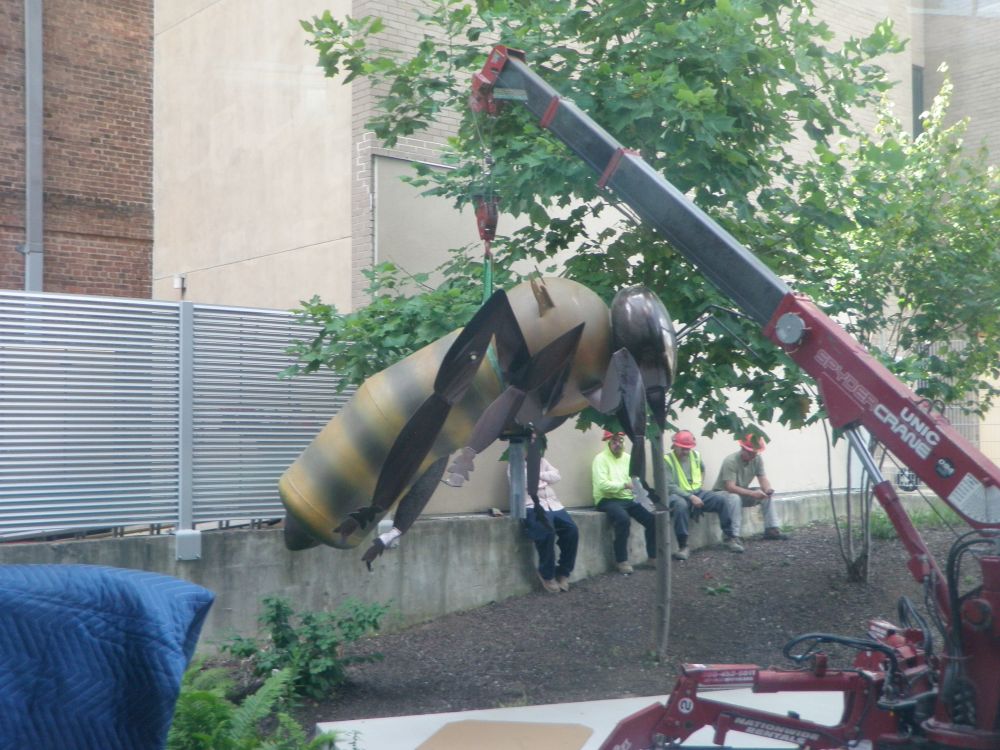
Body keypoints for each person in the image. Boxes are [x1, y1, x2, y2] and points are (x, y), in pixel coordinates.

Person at [664, 430, 743, 557]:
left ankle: (730, 537)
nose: (686, 451)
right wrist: (690, 497)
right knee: (680, 506)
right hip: (679, 495)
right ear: (675, 446)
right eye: (683, 448)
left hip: (697, 492)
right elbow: (669, 486)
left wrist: (699, 486)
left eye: (688, 448)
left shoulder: (695, 455)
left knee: (721, 501)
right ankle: (683, 546)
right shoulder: (667, 460)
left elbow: (702, 470)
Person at [509, 452, 579, 593]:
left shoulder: (542, 460)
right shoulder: (514, 465)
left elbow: (557, 475)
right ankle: (547, 574)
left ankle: (563, 572)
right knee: (546, 531)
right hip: (532, 505)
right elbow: (525, 483)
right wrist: (545, 477)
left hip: (554, 504)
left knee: (572, 531)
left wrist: (537, 475)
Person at [592, 430, 656, 574]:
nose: (618, 444)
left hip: (628, 498)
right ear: (607, 442)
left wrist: (638, 492)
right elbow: (602, 485)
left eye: (620, 441)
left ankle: (653, 557)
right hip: (607, 499)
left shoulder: (628, 458)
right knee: (623, 519)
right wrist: (624, 485)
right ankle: (622, 561)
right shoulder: (600, 459)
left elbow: (636, 479)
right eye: (614, 441)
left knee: (652, 517)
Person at [712, 433, 787, 543]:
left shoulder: (757, 459)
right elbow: (730, 487)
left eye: (755, 453)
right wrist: (752, 494)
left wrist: (767, 490)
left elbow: (763, 479)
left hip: (740, 492)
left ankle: (772, 529)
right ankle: (732, 536)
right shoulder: (730, 461)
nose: (753, 456)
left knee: (766, 496)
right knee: (734, 498)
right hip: (722, 494)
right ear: (743, 449)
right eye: (751, 453)